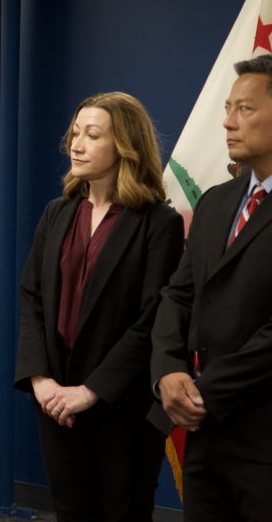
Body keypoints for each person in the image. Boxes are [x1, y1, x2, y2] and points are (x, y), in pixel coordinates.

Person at [14, 92, 184, 522]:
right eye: (75, 133)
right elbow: (31, 297)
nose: (77, 144)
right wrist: (41, 380)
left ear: (126, 146)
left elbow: (153, 319)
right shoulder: (57, 213)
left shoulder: (158, 223)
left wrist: (90, 392)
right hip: (55, 404)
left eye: (92, 135)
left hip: (121, 408)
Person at [151, 55, 272, 522]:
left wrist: (203, 394)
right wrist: (166, 371)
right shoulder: (217, 201)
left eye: (244, 109)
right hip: (204, 438)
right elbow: (178, 295)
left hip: (260, 437)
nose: (227, 122)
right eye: (227, 107)